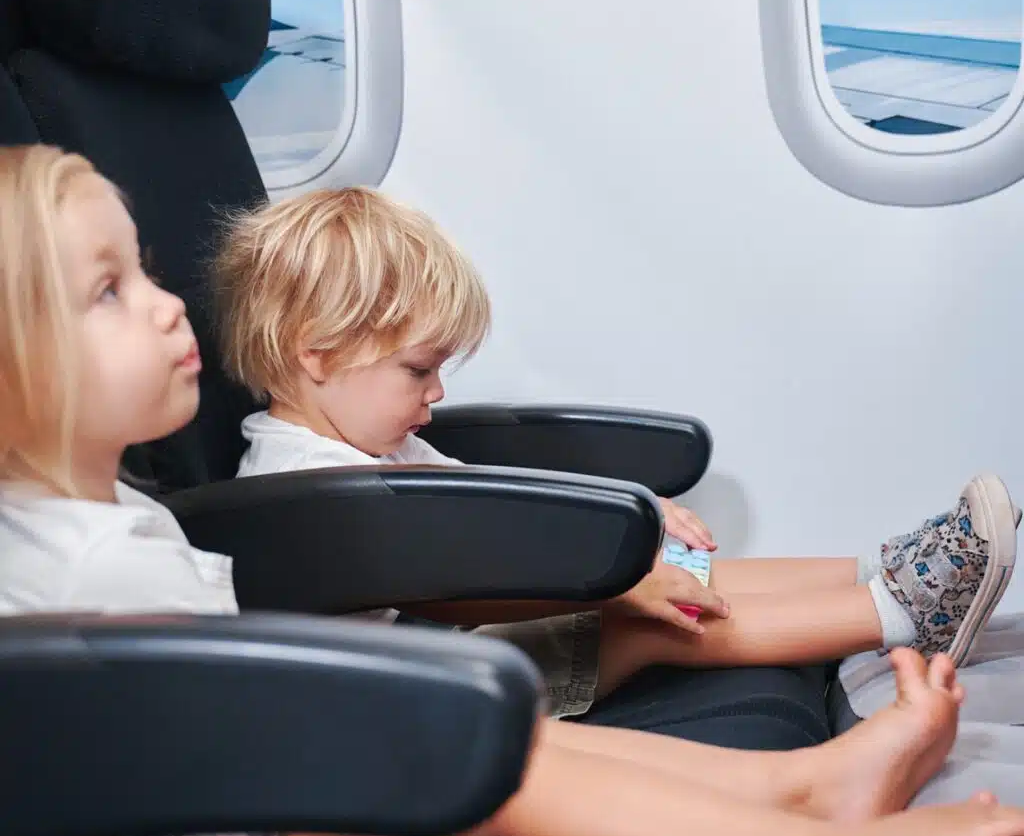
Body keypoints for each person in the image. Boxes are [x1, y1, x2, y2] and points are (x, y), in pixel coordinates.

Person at [1, 144, 1023, 836]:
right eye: (109, 291)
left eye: (143, 271)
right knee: (477, 739)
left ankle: (806, 784)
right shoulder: (65, 573)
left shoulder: (109, 521)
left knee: (491, 729)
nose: (170, 305)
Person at [214, 186, 1018, 719]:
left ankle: (886, 568)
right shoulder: (302, 486)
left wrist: (626, 525)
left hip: (454, 646)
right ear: (316, 353)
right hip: (426, 693)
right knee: (661, 621)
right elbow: (456, 582)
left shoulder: (364, 443)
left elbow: (490, 507)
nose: (438, 396)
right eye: (419, 370)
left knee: (695, 575)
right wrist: (620, 583)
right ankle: (899, 616)